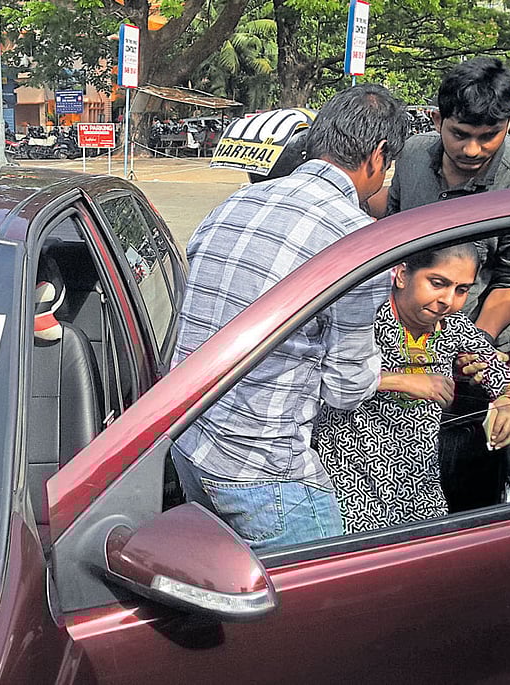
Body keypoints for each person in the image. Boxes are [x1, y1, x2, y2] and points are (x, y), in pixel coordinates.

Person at [170, 84, 409, 552]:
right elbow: (346, 389)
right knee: (321, 611)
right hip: (265, 473)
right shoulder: (357, 240)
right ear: (378, 156)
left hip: (189, 442)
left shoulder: (234, 204)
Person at [385, 57, 510, 511]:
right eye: (460, 134)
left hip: (476, 356)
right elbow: (390, 240)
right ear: (438, 120)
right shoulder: (414, 158)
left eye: (488, 137)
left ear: (509, 125)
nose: (473, 150)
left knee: (464, 477)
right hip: (395, 342)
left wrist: (472, 342)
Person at [316, 245, 510, 534]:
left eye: (461, 290)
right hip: (350, 482)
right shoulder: (365, 318)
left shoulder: (453, 327)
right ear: (403, 275)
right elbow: (327, 377)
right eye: (438, 283)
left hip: (419, 486)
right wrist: (399, 379)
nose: (447, 300)